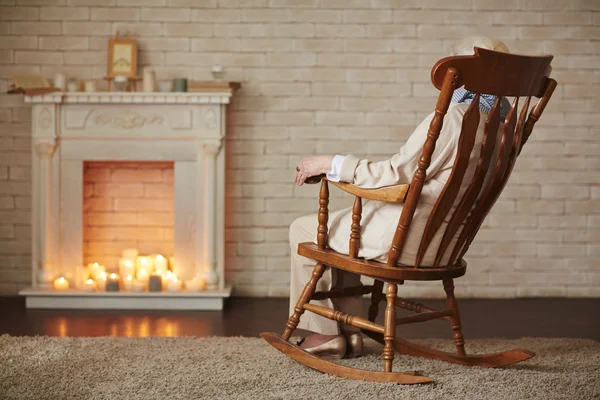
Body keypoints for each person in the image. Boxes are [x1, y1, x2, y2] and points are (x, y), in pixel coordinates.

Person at [289, 37, 512, 360]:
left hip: (406, 240)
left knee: (303, 230)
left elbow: (397, 174)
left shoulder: (454, 119)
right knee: (340, 234)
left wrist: (331, 164)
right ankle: (348, 332)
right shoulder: (504, 128)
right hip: (442, 242)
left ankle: (324, 333)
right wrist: (339, 171)